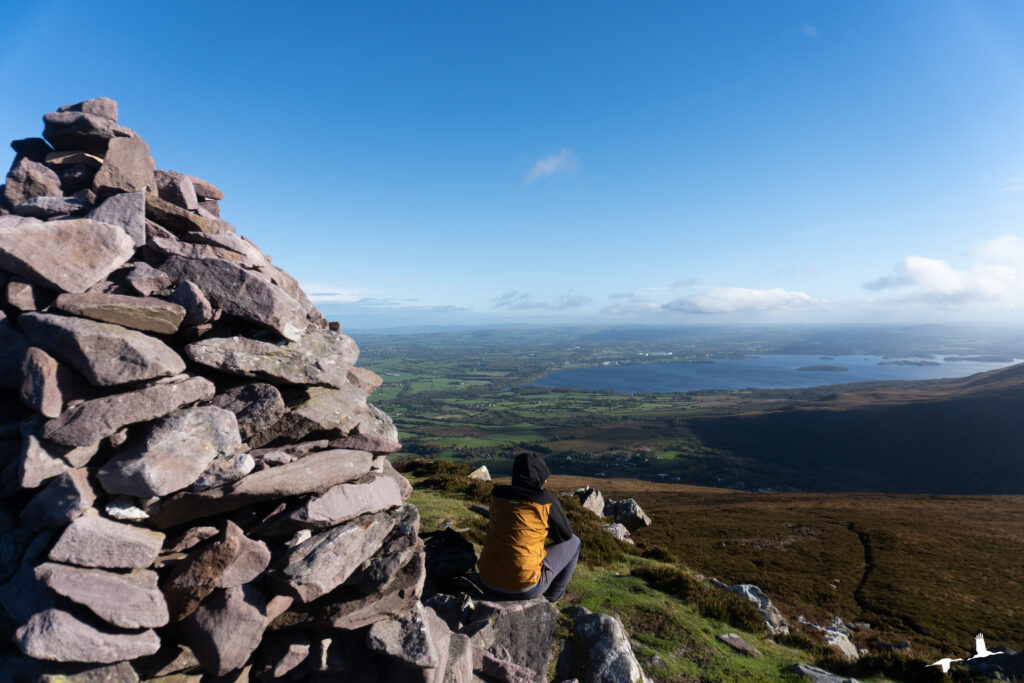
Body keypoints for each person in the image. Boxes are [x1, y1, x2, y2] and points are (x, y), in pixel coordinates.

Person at [477, 452, 581, 602]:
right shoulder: (545, 499)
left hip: (487, 580)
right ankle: (550, 600)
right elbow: (565, 535)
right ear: (539, 477)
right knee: (575, 542)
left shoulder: (497, 494)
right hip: (525, 586)